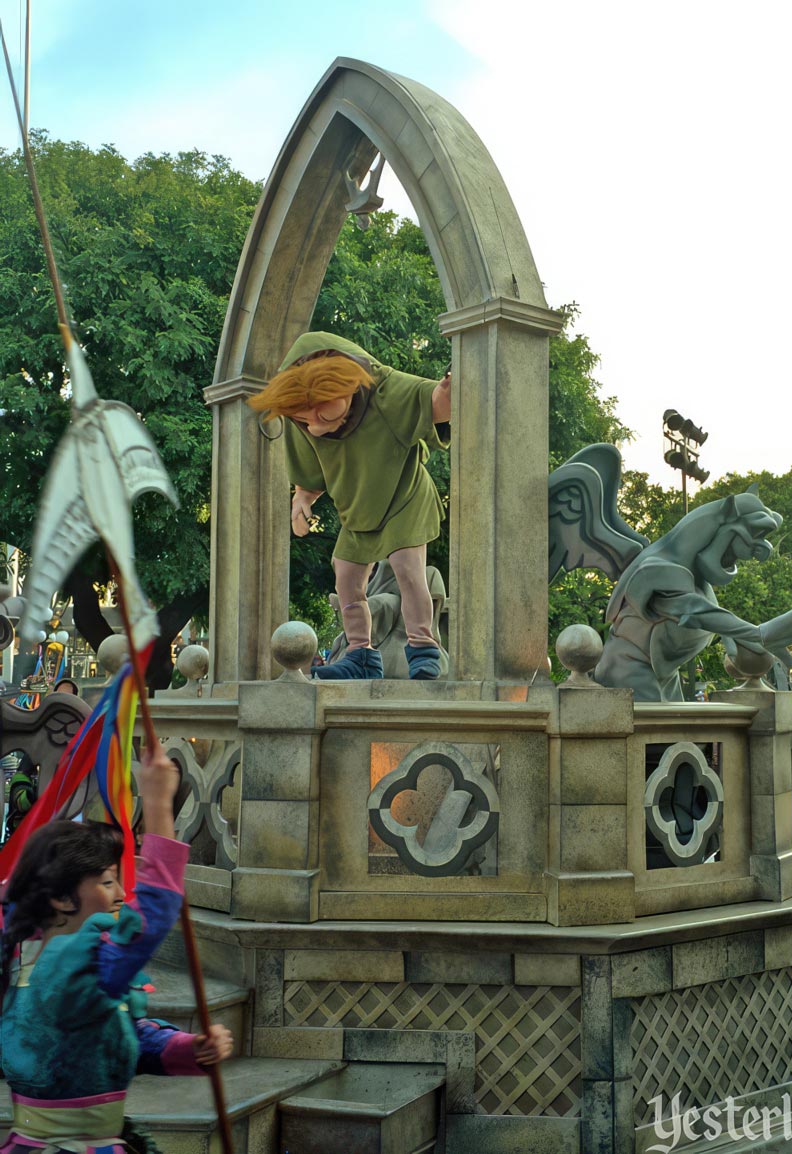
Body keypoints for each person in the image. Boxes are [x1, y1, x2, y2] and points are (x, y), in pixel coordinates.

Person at [0, 747, 233, 1153]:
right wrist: (160, 804)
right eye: (107, 881)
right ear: (60, 896)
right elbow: (152, 916)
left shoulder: (31, 957)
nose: (121, 894)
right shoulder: (74, 965)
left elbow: (109, 1035)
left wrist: (186, 1048)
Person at [248, 332, 451, 681]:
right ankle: (360, 654)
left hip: (404, 496)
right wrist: (302, 500)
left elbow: (431, 402)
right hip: (357, 510)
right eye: (304, 417)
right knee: (346, 577)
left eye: (324, 410)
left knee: (407, 568)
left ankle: (423, 646)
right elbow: (309, 475)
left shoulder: (384, 391)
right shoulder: (302, 424)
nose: (315, 423)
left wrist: (448, 390)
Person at [4, 753, 37, 841]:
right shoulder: (21, 779)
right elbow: (22, 804)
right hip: (20, 828)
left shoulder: (25, 779)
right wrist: (36, 792)